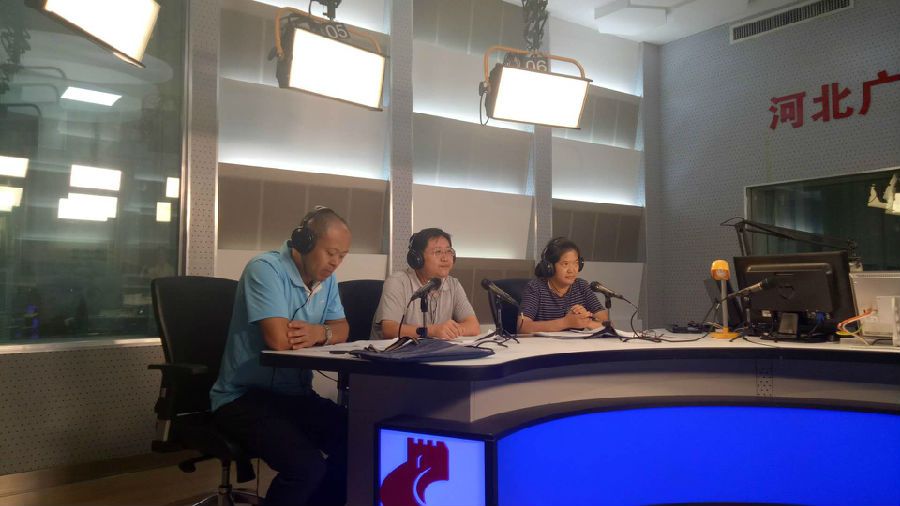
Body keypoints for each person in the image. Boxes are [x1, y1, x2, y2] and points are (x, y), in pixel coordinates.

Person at [210, 206, 351, 506]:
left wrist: (319, 332)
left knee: (359, 437)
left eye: (342, 256)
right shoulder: (265, 269)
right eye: (331, 253)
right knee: (306, 468)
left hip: (295, 396)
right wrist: (325, 332)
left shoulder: (327, 281)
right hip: (242, 398)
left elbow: (342, 328)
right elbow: (277, 339)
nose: (336, 263)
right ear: (305, 242)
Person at [371, 227, 479, 340]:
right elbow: (390, 330)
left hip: (432, 350)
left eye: (449, 251)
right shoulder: (397, 282)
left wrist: (452, 331)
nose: (445, 258)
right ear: (418, 258)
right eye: (438, 252)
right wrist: (432, 331)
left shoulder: (453, 284)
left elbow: (474, 326)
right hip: (393, 350)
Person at [518, 237, 610, 334]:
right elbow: (522, 327)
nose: (572, 270)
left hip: (575, 343)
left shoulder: (581, 286)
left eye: (575, 263)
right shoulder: (535, 287)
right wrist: (566, 322)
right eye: (565, 264)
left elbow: (608, 324)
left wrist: (585, 321)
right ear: (550, 267)